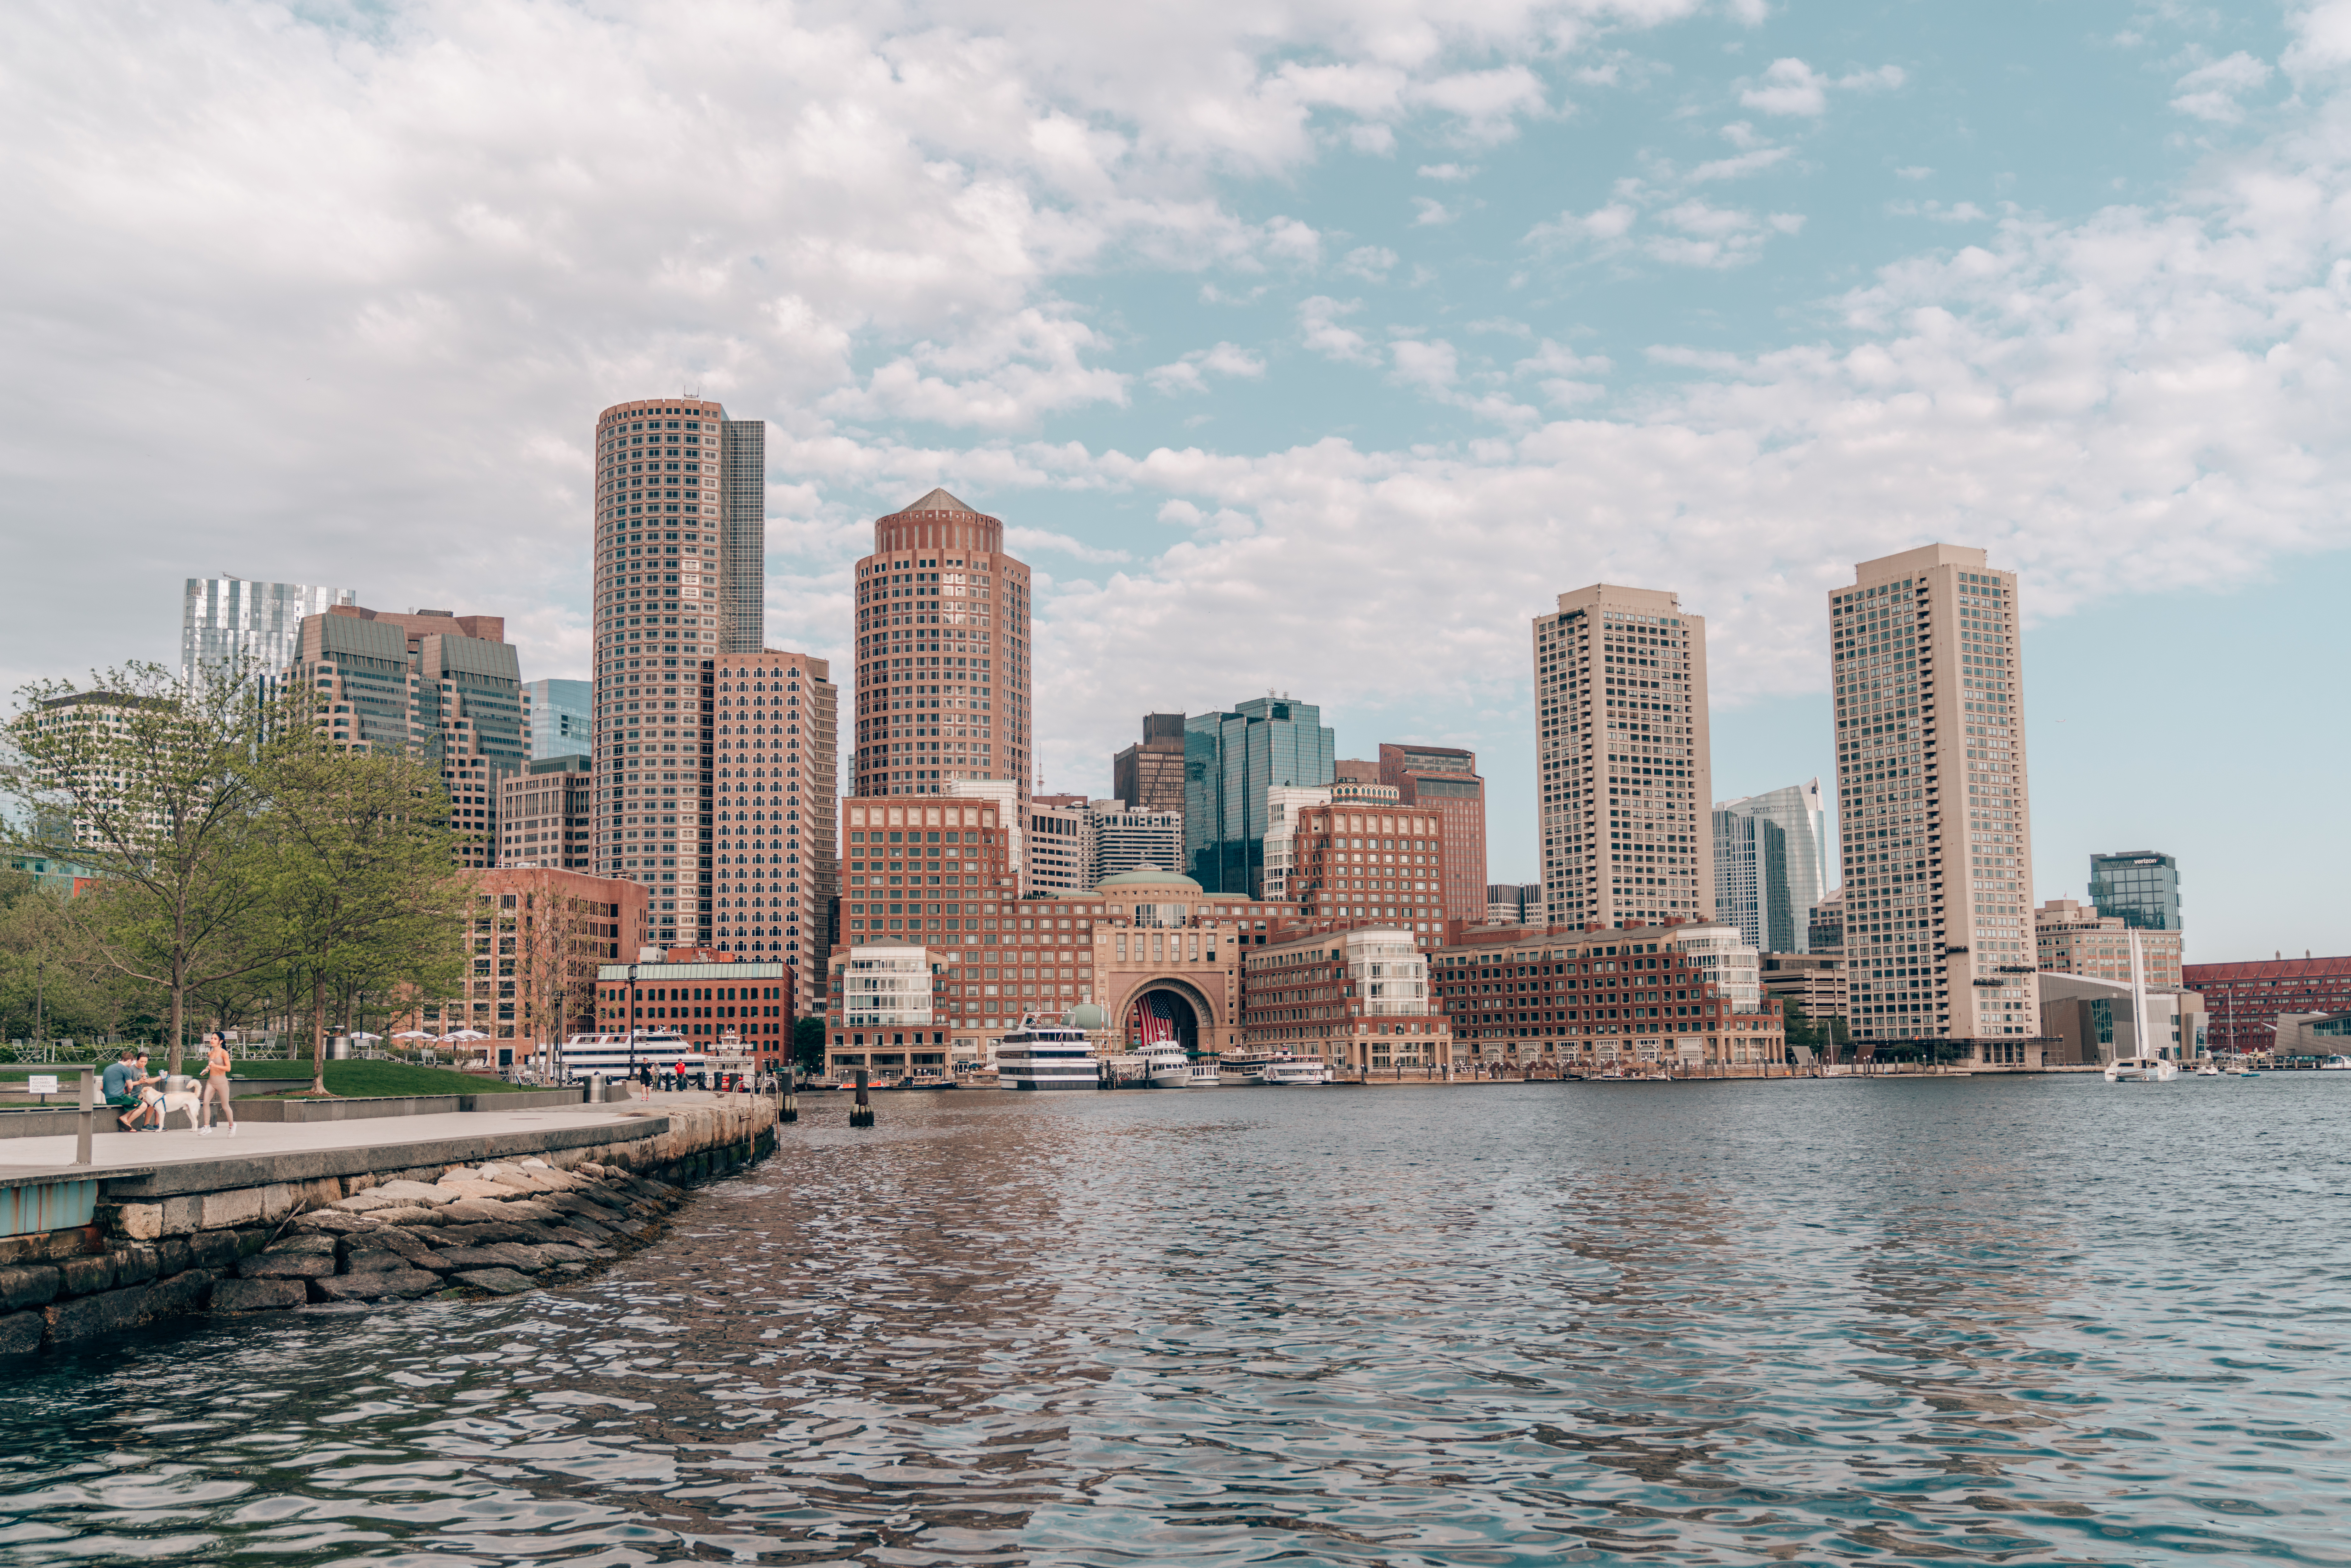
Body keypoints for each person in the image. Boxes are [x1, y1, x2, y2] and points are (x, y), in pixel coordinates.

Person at [195, 1031, 236, 1137]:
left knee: (225, 1106)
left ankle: (232, 1126)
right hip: (211, 1082)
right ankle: (207, 1126)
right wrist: (207, 1069)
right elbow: (211, 1065)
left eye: (215, 1039)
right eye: (212, 1038)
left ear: (221, 1041)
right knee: (205, 1103)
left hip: (222, 1082)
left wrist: (215, 1066)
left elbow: (228, 1069)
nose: (212, 1041)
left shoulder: (224, 1053)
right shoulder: (210, 1053)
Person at [101, 1047, 144, 1132]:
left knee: (134, 1103)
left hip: (109, 1099)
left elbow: (102, 1088)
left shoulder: (108, 1069)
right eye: (132, 1062)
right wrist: (128, 1093)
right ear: (129, 1061)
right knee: (143, 1105)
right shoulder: (126, 1070)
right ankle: (126, 1122)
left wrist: (109, 1094)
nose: (132, 1065)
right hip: (119, 1097)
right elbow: (130, 1087)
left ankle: (125, 1121)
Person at [126, 1051, 164, 1131]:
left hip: (141, 1094)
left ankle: (157, 1125)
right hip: (133, 1094)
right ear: (137, 1060)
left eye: (146, 1062)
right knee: (152, 1102)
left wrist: (161, 1077)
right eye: (142, 1062)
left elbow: (149, 1081)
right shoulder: (131, 1069)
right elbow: (126, 1084)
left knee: (159, 1100)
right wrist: (139, 1082)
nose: (143, 1064)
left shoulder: (144, 1069)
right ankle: (146, 1125)